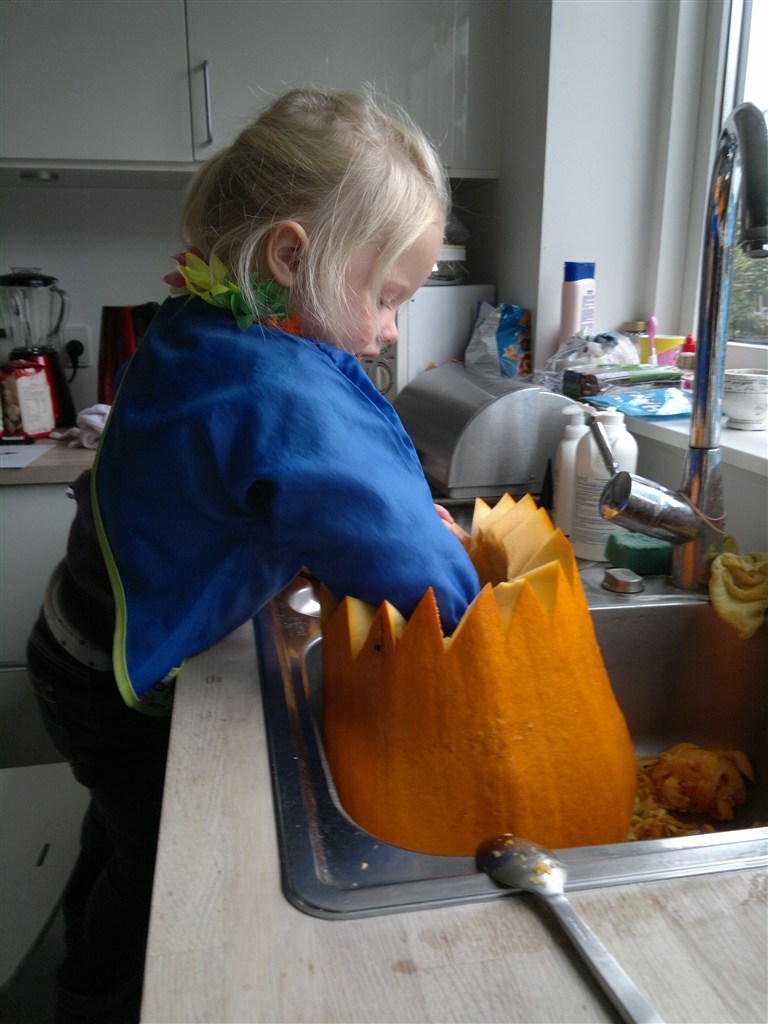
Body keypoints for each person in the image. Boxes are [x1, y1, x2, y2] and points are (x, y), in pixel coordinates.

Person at [26, 87, 480, 1023]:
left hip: (77, 646)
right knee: (151, 861)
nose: (392, 328)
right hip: (114, 683)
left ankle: (75, 955)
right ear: (291, 258)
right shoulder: (274, 392)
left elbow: (264, 498)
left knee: (115, 824)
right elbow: (400, 556)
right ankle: (92, 997)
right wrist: (468, 597)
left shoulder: (207, 331)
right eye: (386, 297)